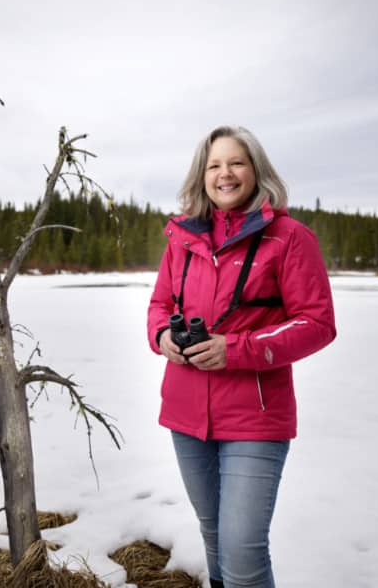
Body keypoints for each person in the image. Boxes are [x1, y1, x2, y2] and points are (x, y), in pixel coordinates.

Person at [146, 125, 336, 588]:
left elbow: (317, 323)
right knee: (213, 538)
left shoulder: (288, 238)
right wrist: (161, 338)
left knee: (243, 552)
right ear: (201, 175)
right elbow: (160, 306)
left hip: (255, 415)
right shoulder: (182, 237)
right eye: (214, 165)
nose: (224, 174)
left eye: (236, 163)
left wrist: (237, 349)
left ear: (255, 170)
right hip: (186, 414)